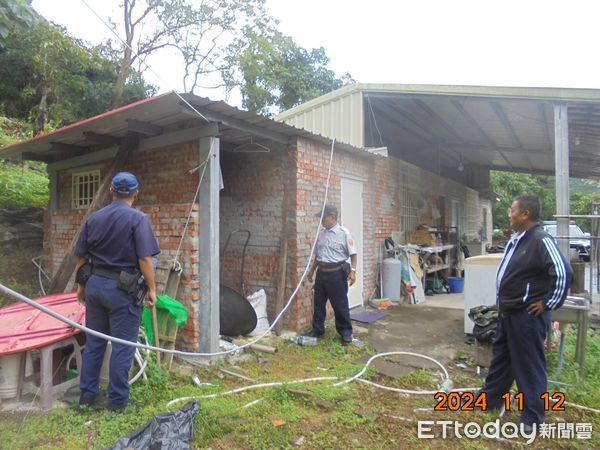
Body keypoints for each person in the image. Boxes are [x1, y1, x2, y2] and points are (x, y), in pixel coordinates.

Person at [478, 196, 571, 428]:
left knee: (528, 365)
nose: (509, 214)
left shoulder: (540, 239)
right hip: (509, 313)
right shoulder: (518, 239)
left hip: (526, 316)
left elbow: (563, 272)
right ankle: (490, 401)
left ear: (525, 214)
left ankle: (532, 417)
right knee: (502, 360)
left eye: (512, 210)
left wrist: (548, 303)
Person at [74, 172, 160, 412]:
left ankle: (87, 397)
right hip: (123, 290)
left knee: (94, 343)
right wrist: (152, 289)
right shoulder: (138, 219)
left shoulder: (94, 218)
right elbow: (145, 258)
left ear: (111, 191)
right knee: (122, 346)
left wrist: (81, 286)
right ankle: (117, 403)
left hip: (95, 286)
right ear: (136, 193)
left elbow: (82, 257)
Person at [307, 204, 358, 346]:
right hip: (321, 274)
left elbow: (353, 255)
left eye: (323, 218)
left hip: (336, 274)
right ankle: (317, 330)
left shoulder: (344, 233)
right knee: (318, 304)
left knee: (340, 304)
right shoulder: (322, 234)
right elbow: (318, 256)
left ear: (333, 217)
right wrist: (312, 271)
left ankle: (346, 333)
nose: (321, 221)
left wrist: (353, 272)